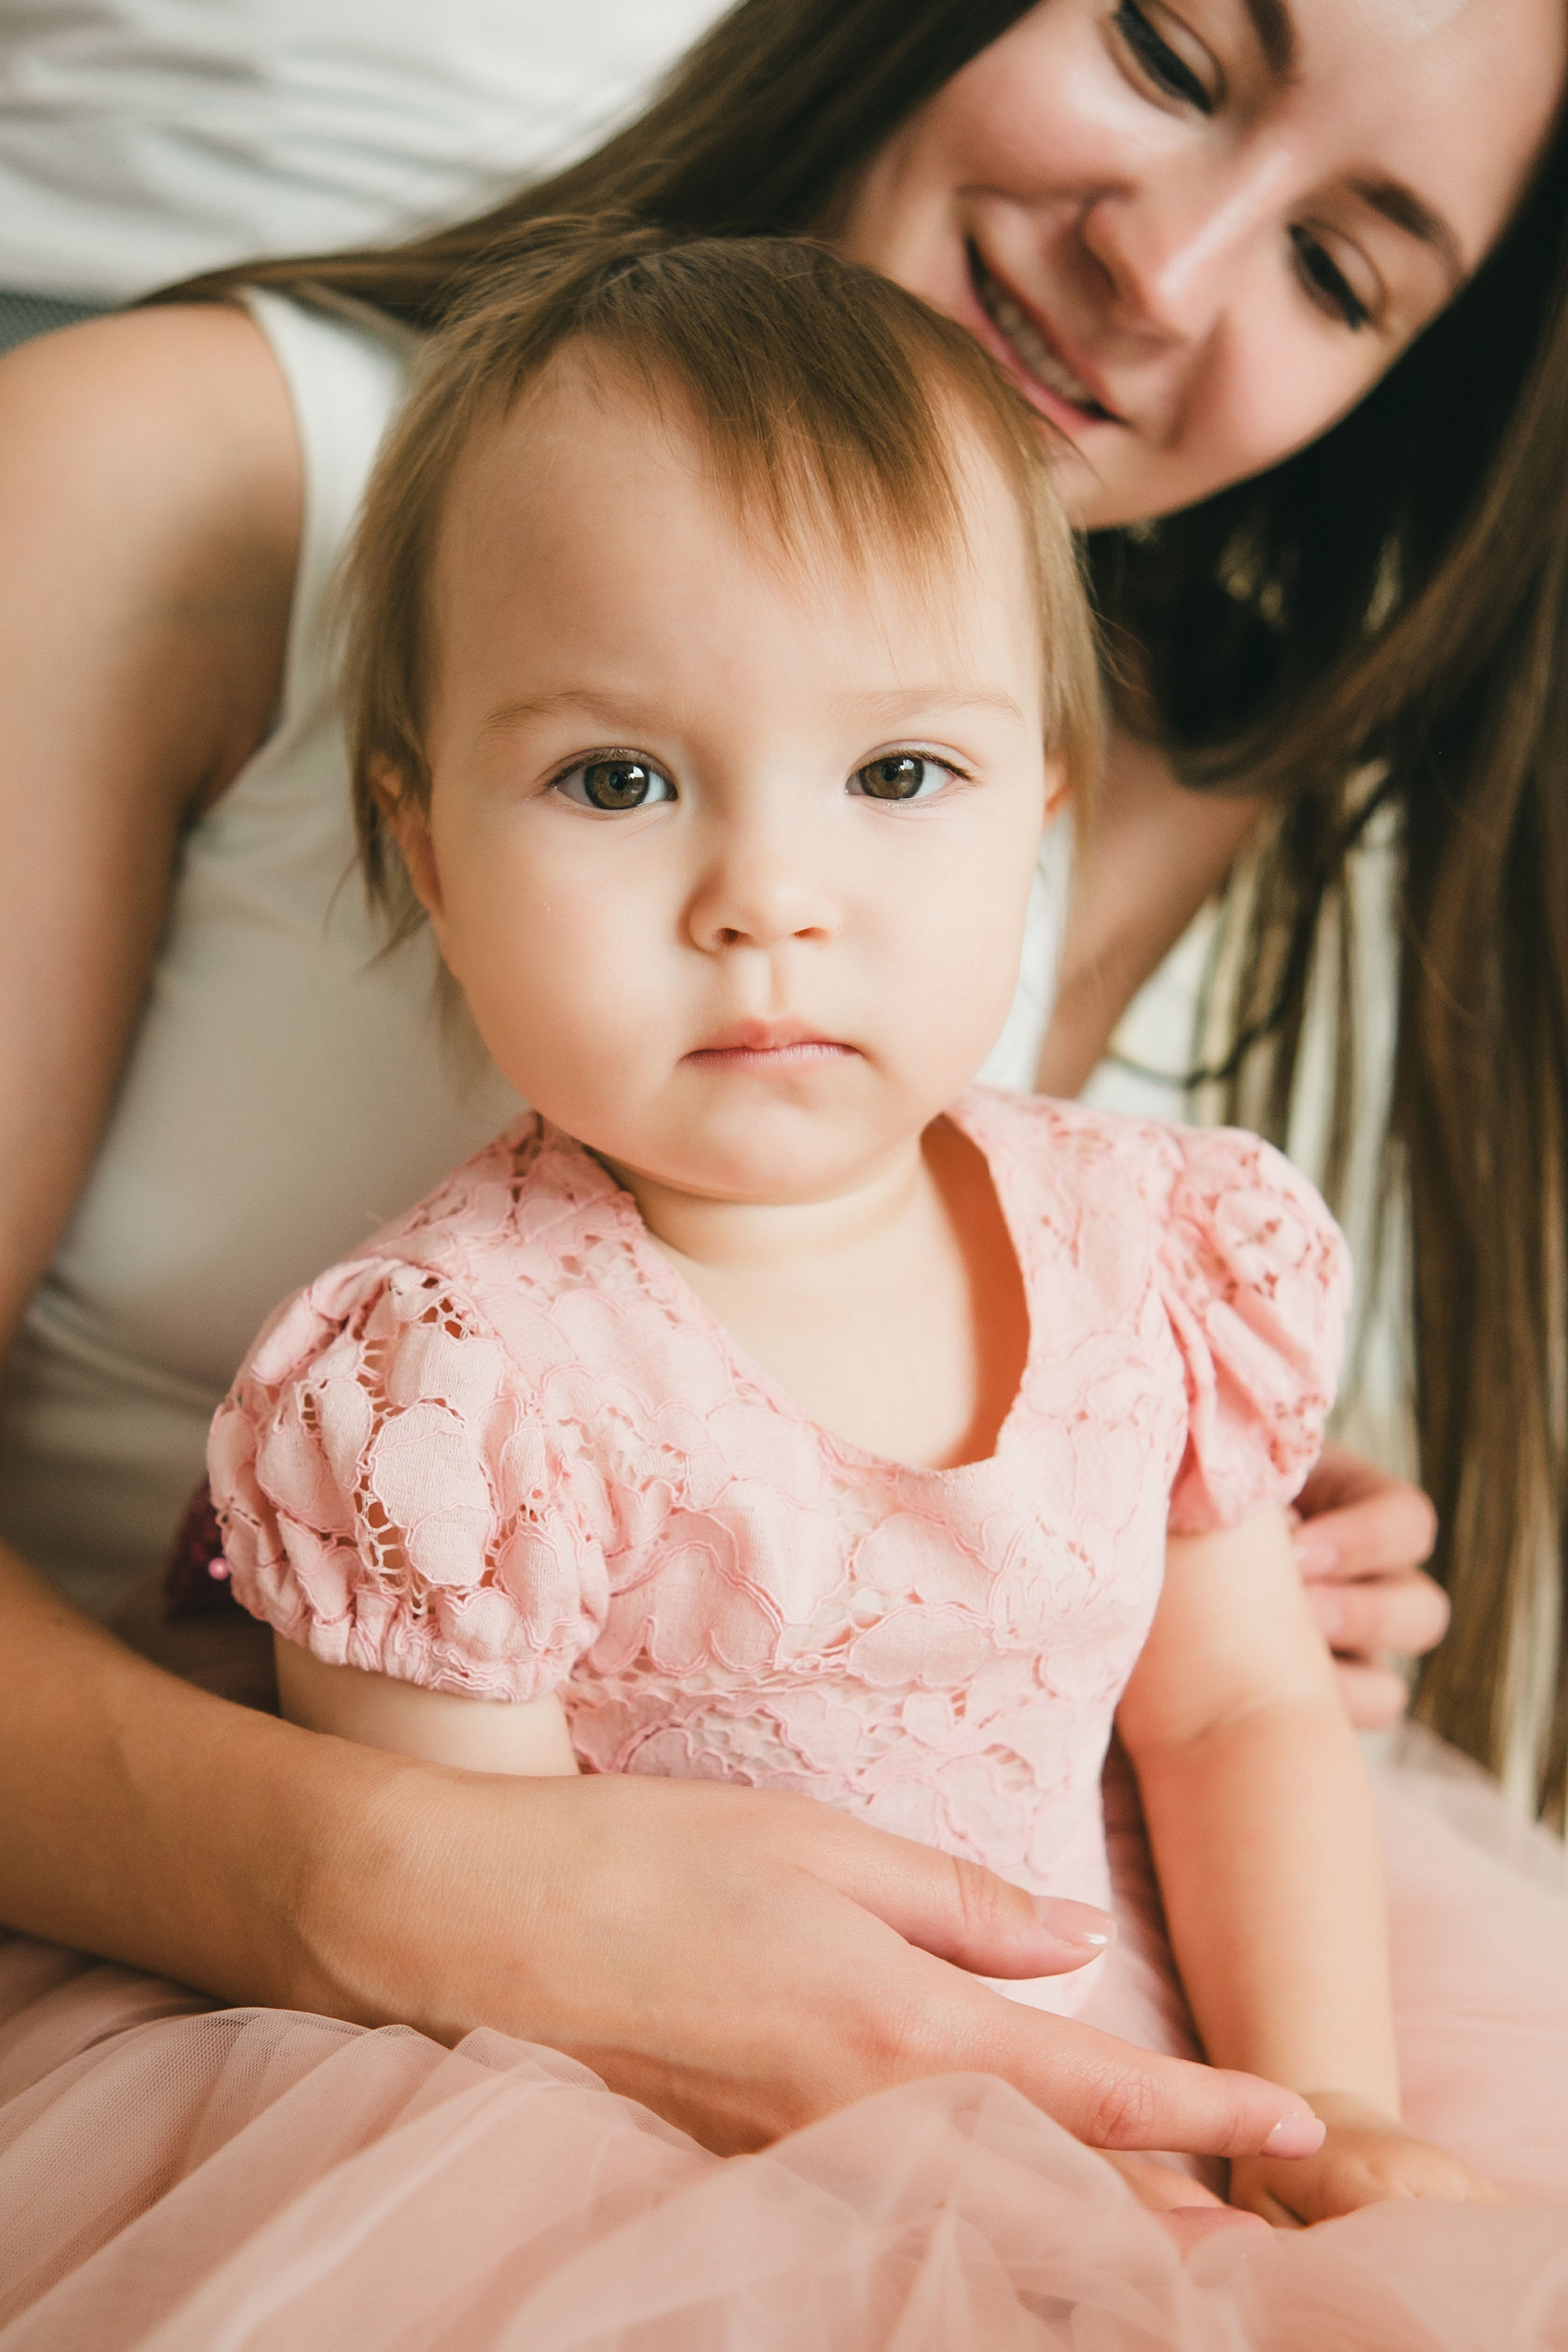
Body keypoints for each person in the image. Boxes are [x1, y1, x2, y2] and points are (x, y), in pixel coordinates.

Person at [0, 0, 1565, 2269]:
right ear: (420, 834)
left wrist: (1168, 1551)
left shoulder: (1115, 767)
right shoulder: (172, 464)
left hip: (1071, 1980)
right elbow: (508, 1923)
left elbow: (965, 1431)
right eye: (1168, 48)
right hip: (335, 1977)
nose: (1168, 273)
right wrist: (399, 1879)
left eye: (1342, 268)